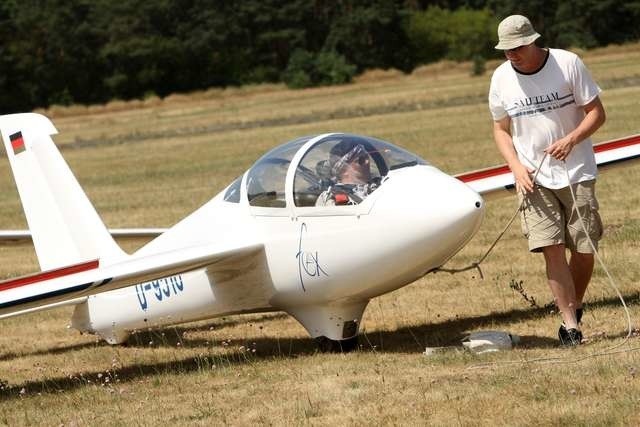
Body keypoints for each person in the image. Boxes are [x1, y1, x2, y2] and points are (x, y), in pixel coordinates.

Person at [488, 15, 606, 346]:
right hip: (532, 177)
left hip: (577, 172)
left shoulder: (568, 63)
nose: (512, 55)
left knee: (583, 249)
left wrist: (571, 140)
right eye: (506, 50)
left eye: (518, 48)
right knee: (551, 249)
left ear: (533, 40)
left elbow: (597, 112)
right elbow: (500, 130)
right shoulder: (500, 79)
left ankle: (575, 304)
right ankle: (570, 325)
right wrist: (515, 166)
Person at [315, 140, 380, 206]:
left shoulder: (382, 183)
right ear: (344, 170)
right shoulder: (330, 199)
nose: (367, 162)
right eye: (361, 160)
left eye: (367, 156)